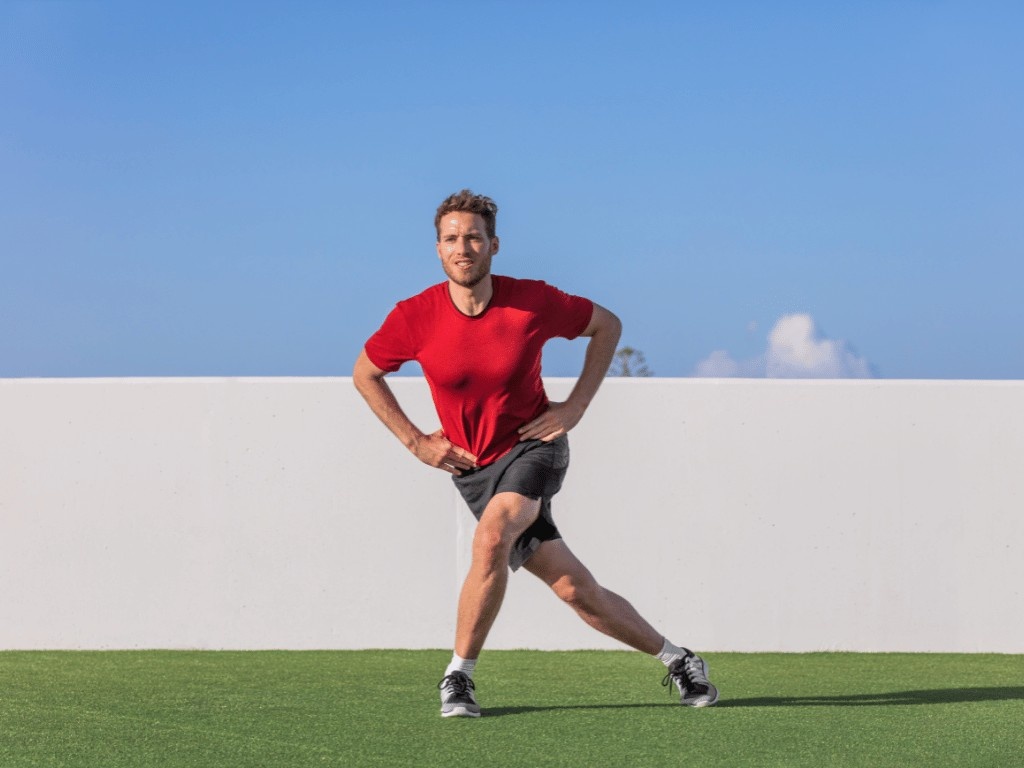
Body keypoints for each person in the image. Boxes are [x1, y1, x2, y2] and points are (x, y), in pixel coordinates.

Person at [352, 190, 718, 717]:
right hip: (473, 468)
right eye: (452, 239)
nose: (464, 248)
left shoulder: (531, 301)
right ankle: (678, 659)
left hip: (534, 446)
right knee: (575, 589)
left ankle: (458, 678)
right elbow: (366, 373)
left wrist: (576, 406)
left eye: (474, 237)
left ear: (493, 245)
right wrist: (416, 441)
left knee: (492, 535)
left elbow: (606, 325)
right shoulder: (415, 316)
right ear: (438, 250)